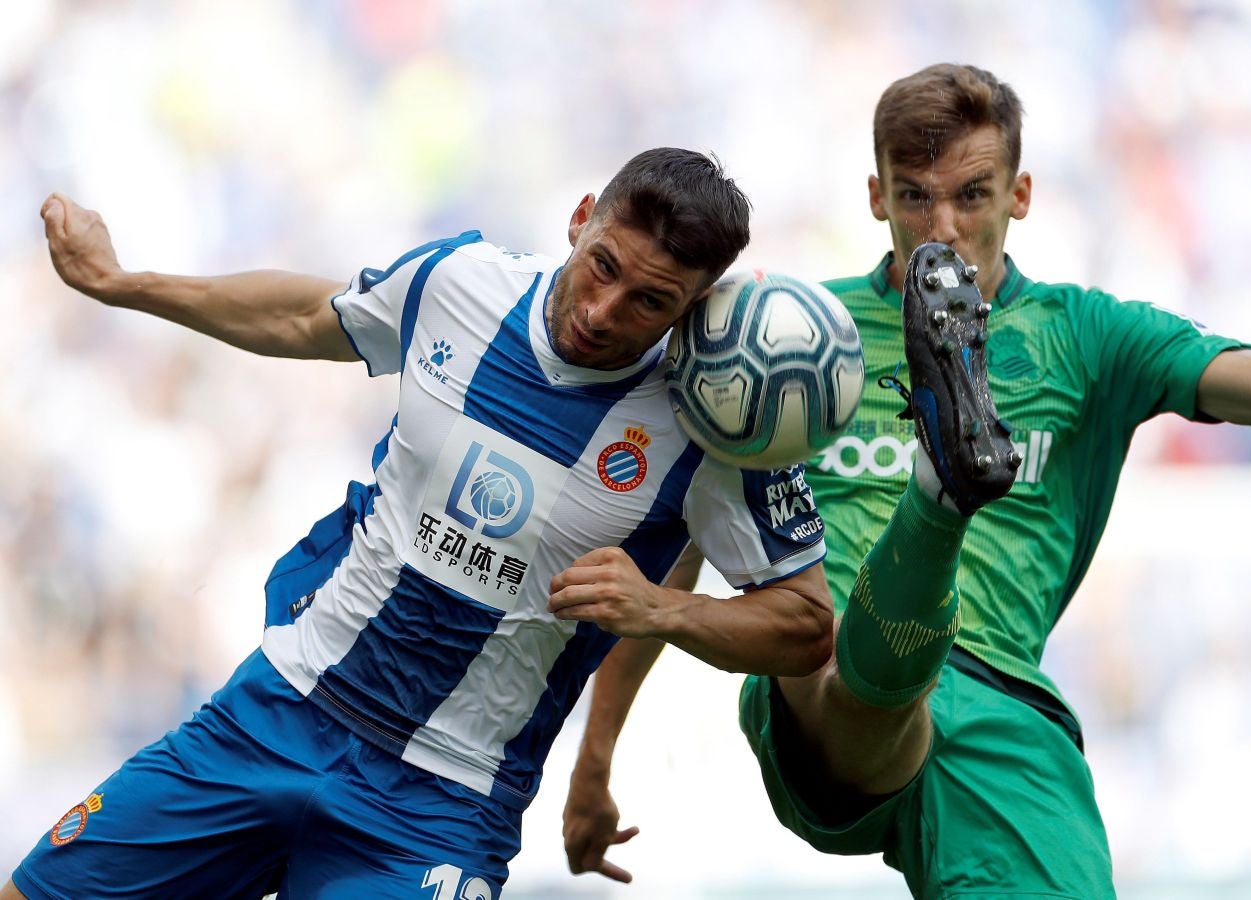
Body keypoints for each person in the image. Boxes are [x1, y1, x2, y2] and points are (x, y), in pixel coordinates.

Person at [562, 65, 1251, 898]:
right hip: (823, 688)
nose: (942, 230)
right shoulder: (786, 341)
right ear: (875, 196)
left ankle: (942, 482)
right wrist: (594, 762)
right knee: (843, 661)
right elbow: (682, 542)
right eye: (914, 199)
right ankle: (940, 495)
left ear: (1022, 193)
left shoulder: (1090, 337)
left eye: (972, 196)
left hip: (1001, 711)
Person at [4, 148, 836, 900]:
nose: (603, 309)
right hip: (278, 709)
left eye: (650, 301)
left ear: (692, 310)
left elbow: (804, 627)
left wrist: (663, 609)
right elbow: (306, 317)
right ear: (581, 218)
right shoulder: (460, 280)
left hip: (443, 803)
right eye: (603, 266)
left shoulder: (715, 424)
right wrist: (125, 284)